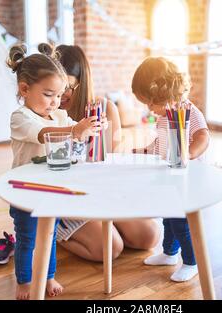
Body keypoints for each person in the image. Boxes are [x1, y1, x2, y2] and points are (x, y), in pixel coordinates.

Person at [6, 43, 101, 299]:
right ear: (24, 89)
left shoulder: (59, 116)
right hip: (25, 194)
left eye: (59, 95)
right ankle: (24, 281)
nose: (56, 102)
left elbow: (74, 133)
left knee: (48, 236)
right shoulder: (21, 117)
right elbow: (43, 135)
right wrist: (74, 130)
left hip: (53, 192)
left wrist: (86, 129)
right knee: (27, 240)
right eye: (49, 94)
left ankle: (48, 276)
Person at [53, 45, 160, 261]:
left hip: (101, 192)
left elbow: (113, 164)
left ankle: (106, 225)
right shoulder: (50, 113)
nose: (61, 95)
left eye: (68, 86)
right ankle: (53, 233)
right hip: (69, 199)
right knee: (110, 248)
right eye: (55, 87)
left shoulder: (105, 108)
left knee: (150, 236)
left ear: (82, 81)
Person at [131, 56, 210, 282]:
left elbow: (203, 136)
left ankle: (192, 261)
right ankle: (169, 253)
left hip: (187, 180)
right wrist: (143, 152)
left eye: (150, 103)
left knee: (181, 223)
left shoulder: (188, 111)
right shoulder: (163, 117)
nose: (149, 108)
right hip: (169, 178)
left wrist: (189, 153)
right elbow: (161, 145)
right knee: (168, 218)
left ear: (163, 93)